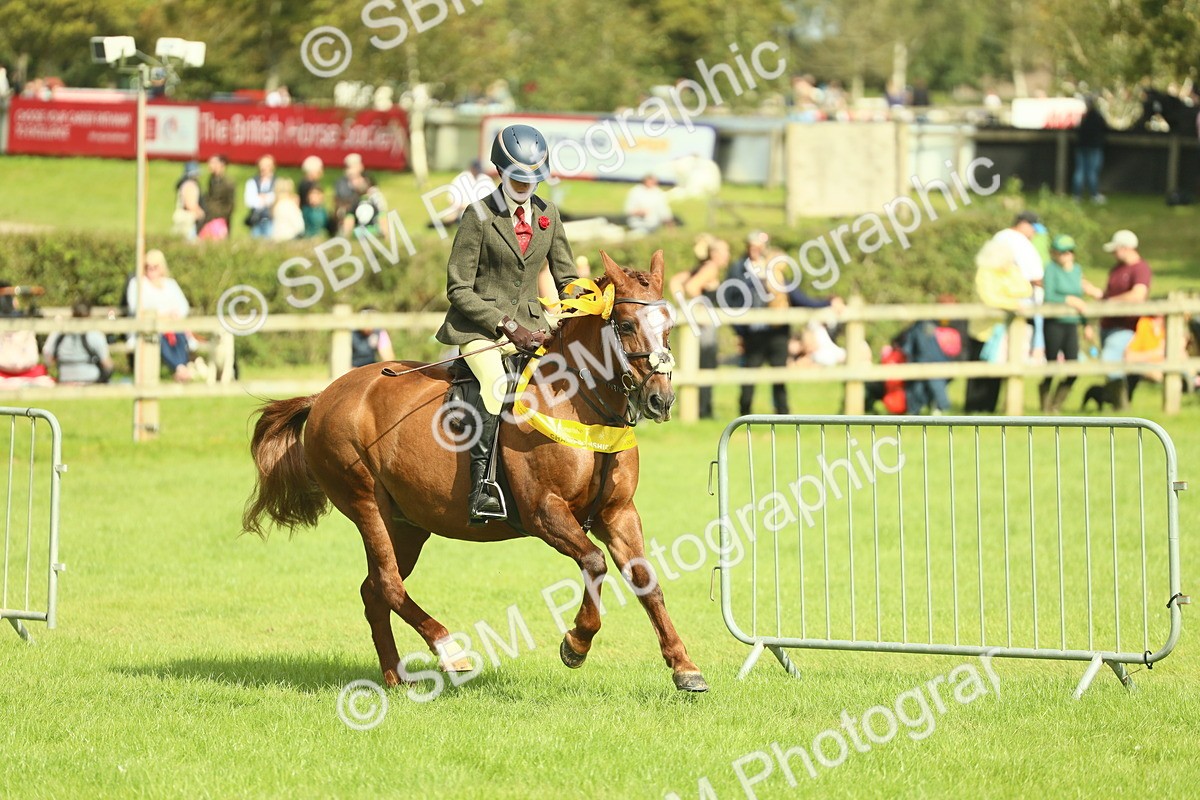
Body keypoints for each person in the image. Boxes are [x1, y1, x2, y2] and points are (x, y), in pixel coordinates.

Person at [435, 123, 578, 523]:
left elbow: (566, 278)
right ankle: (482, 488)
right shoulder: (478, 216)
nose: (525, 186)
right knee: (496, 388)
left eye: (533, 179)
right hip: (480, 330)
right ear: (500, 171)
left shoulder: (548, 214)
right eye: (518, 178)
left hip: (533, 327)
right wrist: (504, 324)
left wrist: (585, 303)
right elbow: (458, 288)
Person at [1084, 229, 1152, 410]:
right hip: (1107, 324)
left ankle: (1121, 405)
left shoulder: (1140, 268)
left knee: (1111, 360)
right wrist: (1095, 294)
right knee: (1112, 363)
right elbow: (1108, 296)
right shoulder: (1116, 269)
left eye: (1115, 249)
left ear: (1126, 247)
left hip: (1125, 325)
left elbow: (1138, 295)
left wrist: (1110, 302)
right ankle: (1118, 404)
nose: (1113, 253)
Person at [965, 237, 1033, 413]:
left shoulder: (1010, 271)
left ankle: (990, 409)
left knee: (997, 373)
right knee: (978, 373)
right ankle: (973, 410)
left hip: (1003, 331)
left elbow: (1026, 289)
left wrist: (1004, 293)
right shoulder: (984, 272)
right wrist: (1011, 302)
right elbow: (988, 298)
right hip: (983, 332)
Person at [728, 231, 790, 416]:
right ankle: (744, 413)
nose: (755, 250)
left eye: (759, 246)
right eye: (752, 246)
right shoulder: (739, 268)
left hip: (776, 331)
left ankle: (783, 413)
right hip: (752, 332)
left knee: (779, 375)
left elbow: (791, 293)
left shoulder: (774, 267)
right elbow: (731, 299)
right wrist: (740, 331)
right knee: (749, 375)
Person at [1039, 235, 1102, 412]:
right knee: (1052, 365)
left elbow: (1081, 301)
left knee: (1073, 366)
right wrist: (1069, 300)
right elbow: (1049, 296)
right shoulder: (1051, 269)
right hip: (1054, 323)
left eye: (1068, 252)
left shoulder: (1077, 271)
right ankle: (1045, 405)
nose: (1064, 255)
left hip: (1072, 323)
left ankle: (1056, 404)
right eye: (1061, 252)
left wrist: (1086, 324)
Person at [669, 234, 729, 419]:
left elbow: (675, 282)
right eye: (725, 251)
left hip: (698, 325)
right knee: (707, 365)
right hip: (705, 326)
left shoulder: (702, 267)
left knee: (698, 364)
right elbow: (691, 287)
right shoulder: (711, 267)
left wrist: (685, 306)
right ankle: (704, 410)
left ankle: (700, 408)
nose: (728, 255)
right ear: (715, 253)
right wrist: (702, 308)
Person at [126, 250, 194, 382]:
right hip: (150, 327)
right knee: (159, 337)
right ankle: (181, 369)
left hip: (173, 325)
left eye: (155, 267)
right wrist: (162, 315)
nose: (151, 270)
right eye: (148, 267)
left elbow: (183, 306)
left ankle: (181, 368)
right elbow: (135, 307)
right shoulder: (137, 283)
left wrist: (175, 315)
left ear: (161, 267)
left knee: (180, 335)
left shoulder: (170, 284)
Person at [43, 301, 113, 384]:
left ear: (72, 313)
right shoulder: (94, 334)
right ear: (89, 314)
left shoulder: (59, 333)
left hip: (65, 381)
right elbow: (106, 364)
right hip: (91, 382)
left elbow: (48, 359)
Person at [1073, 96, 1108, 203]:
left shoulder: (1084, 117)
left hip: (1082, 146)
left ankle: (1077, 196)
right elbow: (1105, 128)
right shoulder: (1097, 116)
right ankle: (1094, 195)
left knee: (1080, 171)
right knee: (1092, 172)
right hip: (1094, 147)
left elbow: (1078, 130)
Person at [440, 159, 497, 225]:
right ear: (471, 168)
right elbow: (451, 199)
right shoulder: (460, 179)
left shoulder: (485, 179)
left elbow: (496, 197)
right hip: (465, 211)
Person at [201, 155, 234, 239]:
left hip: (219, 219)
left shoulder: (227, 183)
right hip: (209, 217)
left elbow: (230, 204)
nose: (210, 165)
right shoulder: (211, 180)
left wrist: (220, 216)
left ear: (222, 165)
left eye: (213, 163)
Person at [244, 155, 277, 239]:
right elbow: (249, 201)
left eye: (267, 165)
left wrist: (263, 198)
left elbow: (276, 199)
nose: (263, 168)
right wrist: (266, 199)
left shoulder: (277, 182)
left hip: (272, 220)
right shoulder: (252, 182)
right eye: (262, 165)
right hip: (256, 220)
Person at [335, 153, 367, 234]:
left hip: (362, 207)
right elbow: (343, 197)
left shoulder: (365, 178)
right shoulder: (342, 182)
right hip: (348, 208)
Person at [172, 162, 205, 241]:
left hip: (182, 217)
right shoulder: (190, 185)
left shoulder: (184, 184)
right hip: (188, 219)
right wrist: (200, 213)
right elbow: (190, 204)